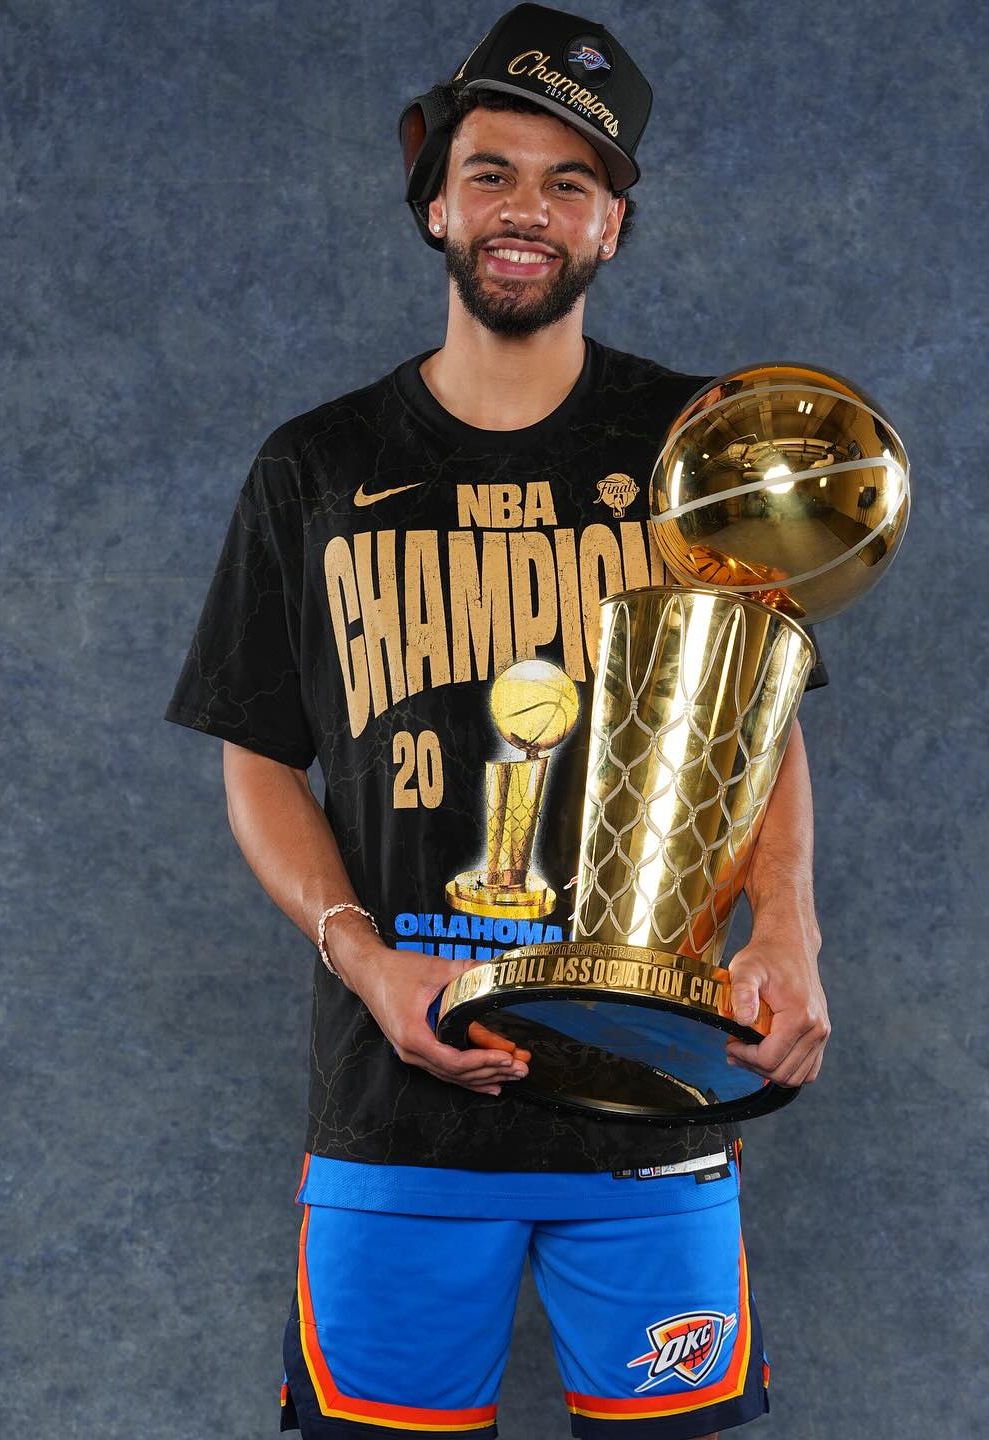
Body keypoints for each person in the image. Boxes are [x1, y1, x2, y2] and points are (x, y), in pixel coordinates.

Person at [164, 6, 832, 1436]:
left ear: (614, 225)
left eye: (570, 183)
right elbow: (259, 759)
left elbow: (759, 724)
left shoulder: (698, 451)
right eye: (493, 173)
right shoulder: (315, 466)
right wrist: (365, 963)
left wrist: (787, 933)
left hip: (651, 1096)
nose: (527, 210)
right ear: (436, 205)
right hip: (397, 1116)